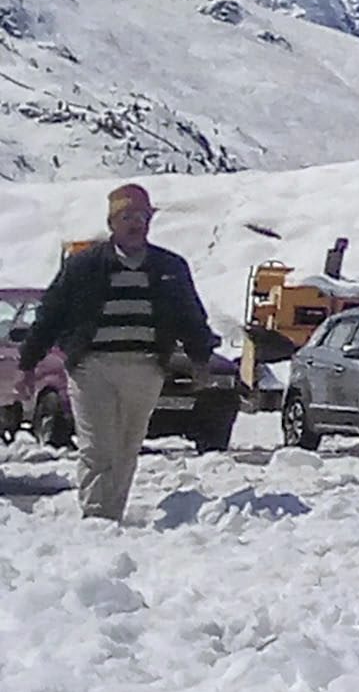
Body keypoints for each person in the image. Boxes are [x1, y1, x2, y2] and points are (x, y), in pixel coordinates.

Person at [20, 183, 221, 524]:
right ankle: (97, 516)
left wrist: (200, 359)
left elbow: (190, 316)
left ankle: (113, 514)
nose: (135, 223)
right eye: (126, 216)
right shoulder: (83, 265)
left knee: (127, 446)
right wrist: (29, 363)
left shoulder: (170, 267)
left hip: (145, 368)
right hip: (92, 367)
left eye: (141, 216)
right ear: (112, 222)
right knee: (98, 446)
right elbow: (51, 314)